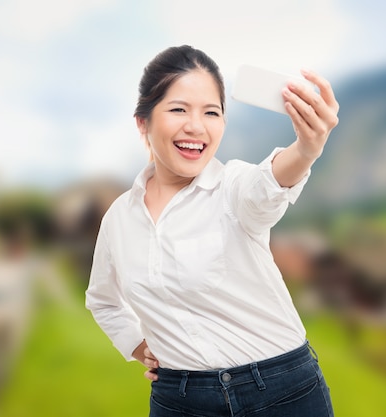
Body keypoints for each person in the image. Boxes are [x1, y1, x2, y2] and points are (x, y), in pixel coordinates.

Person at [85, 45, 339, 417]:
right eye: (178, 109)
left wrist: (306, 150)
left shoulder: (233, 187)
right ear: (143, 122)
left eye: (211, 112)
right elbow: (103, 301)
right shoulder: (119, 219)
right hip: (179, 400)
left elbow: (268, 185)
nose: (196, 126)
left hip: (282, 394)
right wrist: (139, 347)